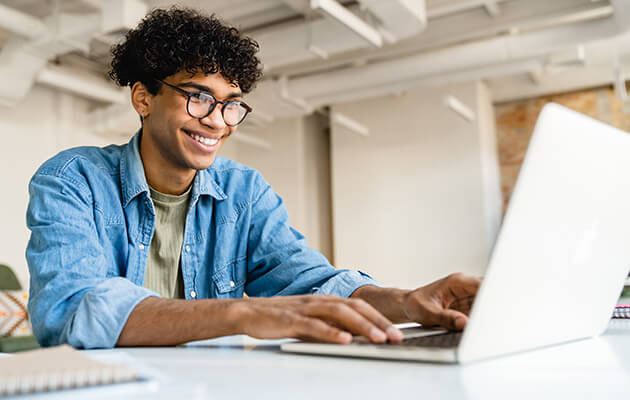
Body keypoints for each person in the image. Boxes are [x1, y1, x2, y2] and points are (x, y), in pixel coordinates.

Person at [26, 7, 480, 349]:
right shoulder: (73, 179)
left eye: (231, 104)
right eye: (199, 97)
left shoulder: (244, 191)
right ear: (143, 98)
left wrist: (408, 301)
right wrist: (244, 312)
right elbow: (72, 311)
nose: (218, 121)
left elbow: (310, 283)